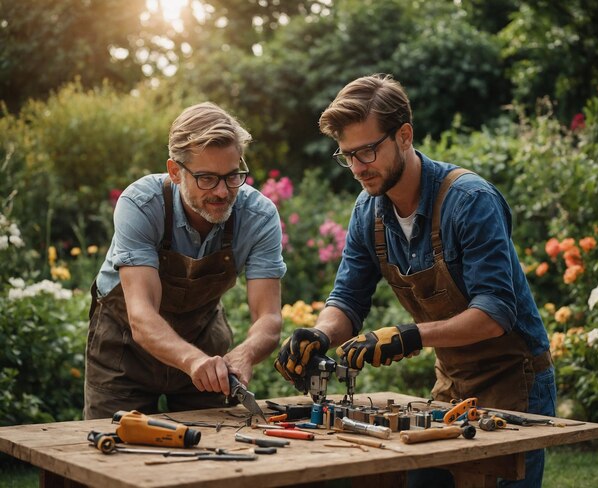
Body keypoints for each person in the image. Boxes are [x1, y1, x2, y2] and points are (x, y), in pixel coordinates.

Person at [274, 74, 556, 487]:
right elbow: (348, 299)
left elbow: (495, 313)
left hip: (514, 381)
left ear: (404, 135)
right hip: (451, 381)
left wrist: (410, 336)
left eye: (367, 151)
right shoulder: (367, 212)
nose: (357, 167)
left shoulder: (470, 202)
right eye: (347, 155)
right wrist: (318, 335)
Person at [84, 101, 286, 420]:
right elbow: (140, 316)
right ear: (175, 171)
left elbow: (269, 317)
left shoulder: (259, 216)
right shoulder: (142, 205)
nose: (222, 192)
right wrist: (193, 362)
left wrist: (244, 355)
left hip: (204, 343)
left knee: (213, 456)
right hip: (124, 353)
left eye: (233, 176)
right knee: (112, 452)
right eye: (207, 179)